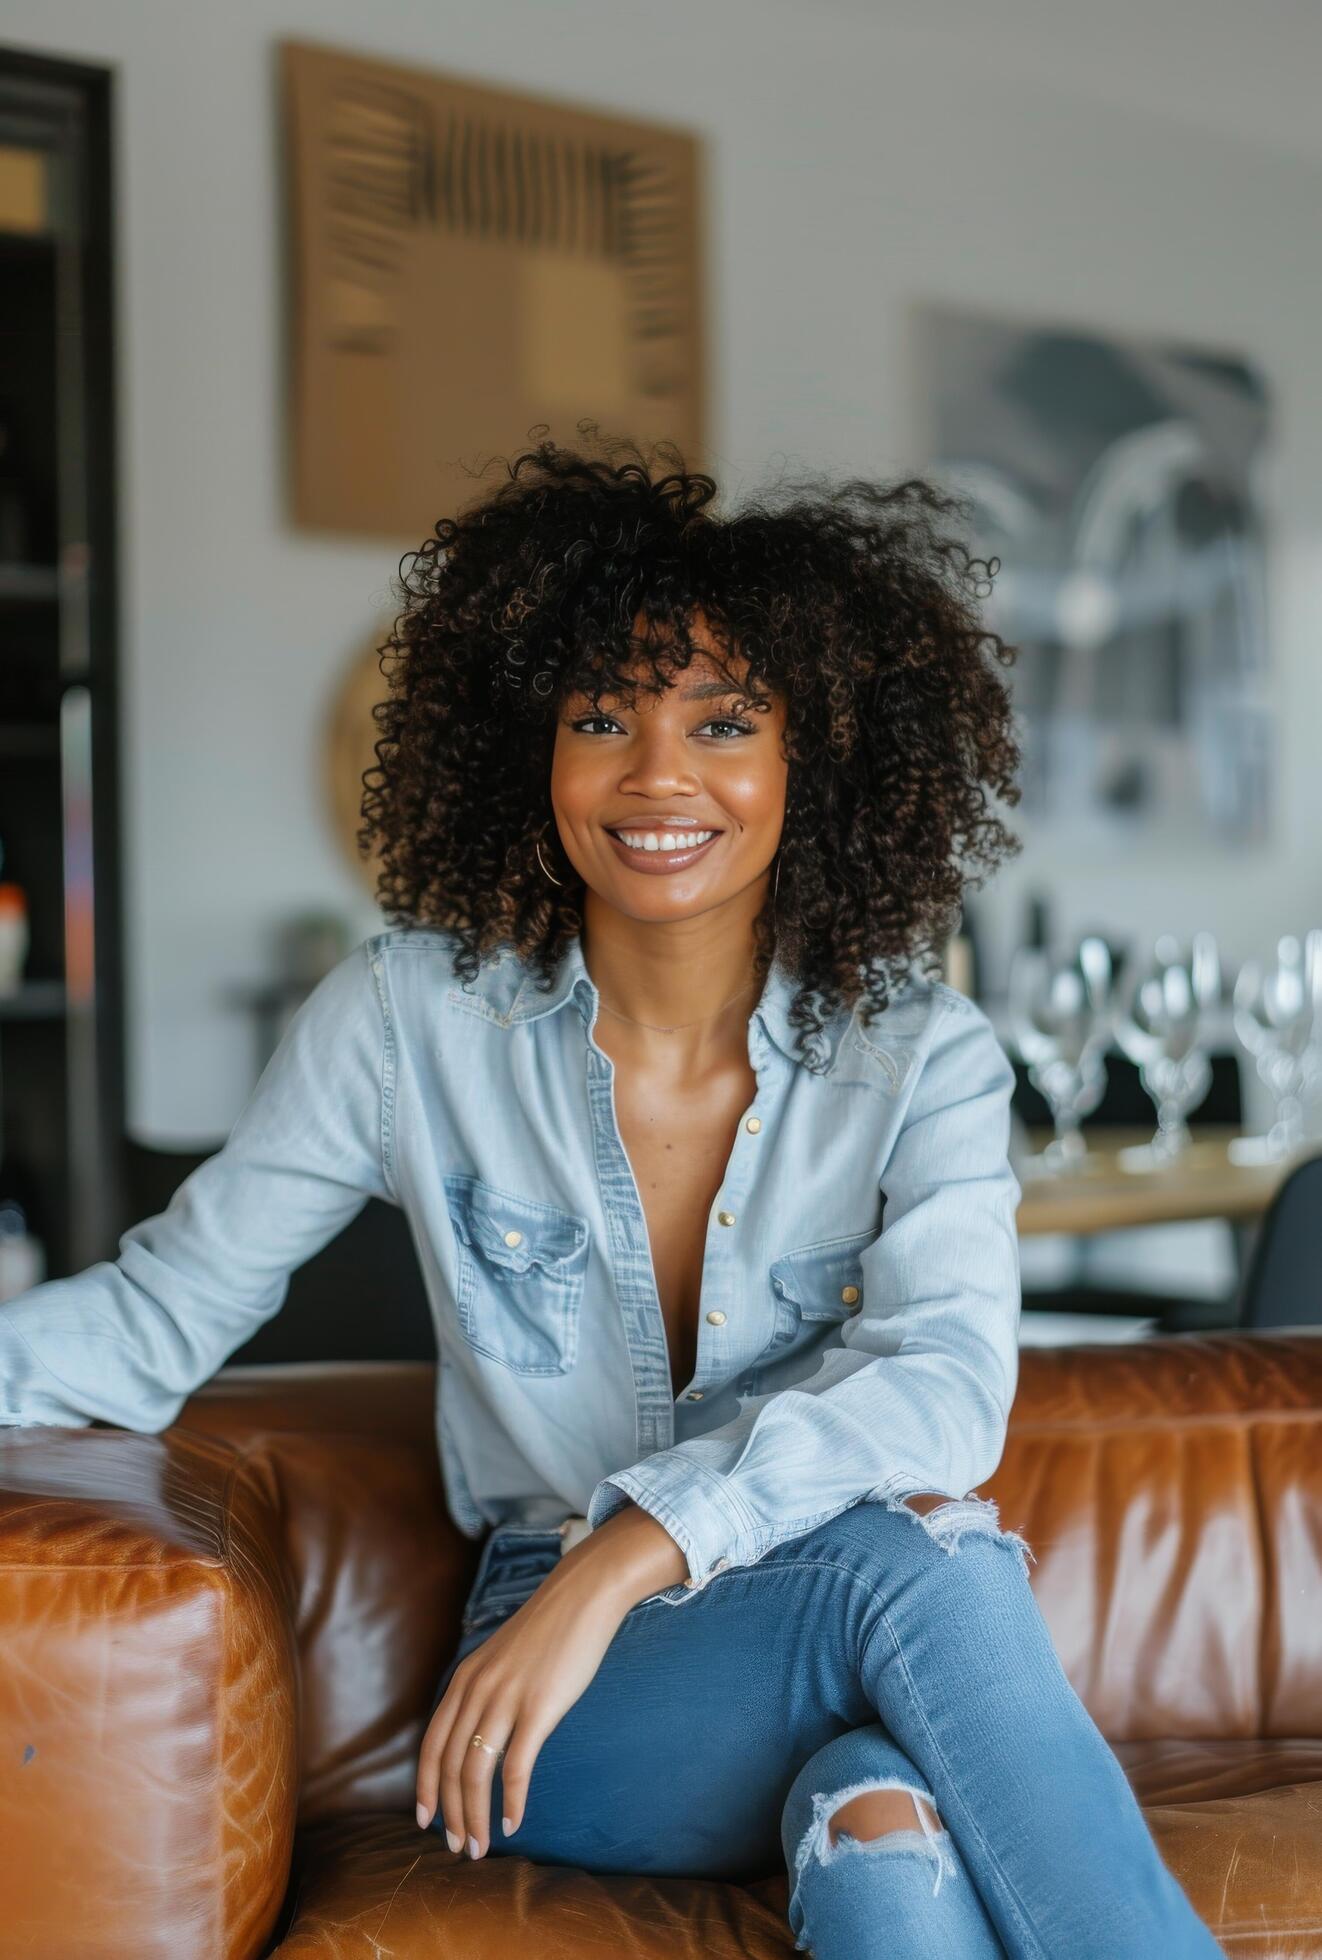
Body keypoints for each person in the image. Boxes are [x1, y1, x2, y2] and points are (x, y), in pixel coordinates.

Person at [0, 429, 1222, 1958]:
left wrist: (628, 1552)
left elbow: (947, 1385)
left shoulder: (924, 1056)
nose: (657, 777)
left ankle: (861, 1837)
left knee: (881, 1829)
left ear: (811, 761)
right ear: (532, 752)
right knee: (927, 1573)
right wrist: (574, 1596)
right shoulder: (404, 1022)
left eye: (722, 723)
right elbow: (156, 1316)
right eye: (600, 718)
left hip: (778, 1636)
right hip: (571, 1710)